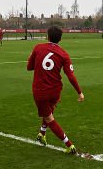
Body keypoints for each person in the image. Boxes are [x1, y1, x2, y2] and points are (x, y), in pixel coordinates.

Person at [27, 26, 85, 155]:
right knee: (49, 111)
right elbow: (70, 76)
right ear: (60, 39)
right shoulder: (64, 54)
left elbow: (29, 67)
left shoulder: (38, 47)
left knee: (49, 118)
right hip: (55, 90)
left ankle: (69, 145)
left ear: (47, 36)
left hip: (40, 90)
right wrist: (79, 92)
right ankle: (42, 133)